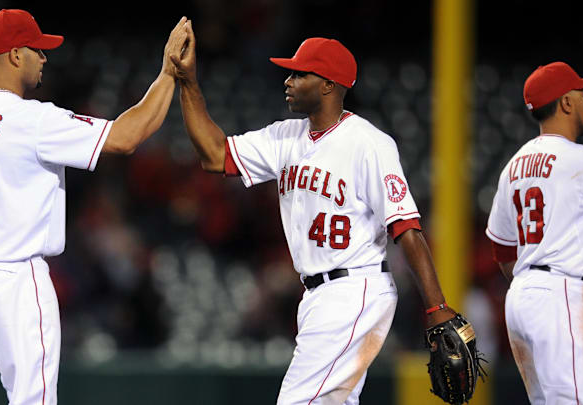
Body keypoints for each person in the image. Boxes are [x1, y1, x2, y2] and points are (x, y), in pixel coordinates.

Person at [171, 26, 468, 404]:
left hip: (354, 289)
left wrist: (436, 307)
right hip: (316, 294)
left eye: (300, 74)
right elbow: (214, 155)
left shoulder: (368, 142)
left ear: (328, 85)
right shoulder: (284, 137)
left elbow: (407, 227)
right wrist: (189, 82)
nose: (288, 80)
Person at [0, 9, 189, 405]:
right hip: (13, 278)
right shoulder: (33, 118)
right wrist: (167, 73)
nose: (44, 58)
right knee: (33, 398)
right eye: (37, 49)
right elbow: (127, 136)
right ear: (13, 55)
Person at [486, 61, 583, 404]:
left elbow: (502, 252)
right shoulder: (579, 160)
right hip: (560, 294)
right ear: (566, 103)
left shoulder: (513, 164)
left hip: (522, 295)